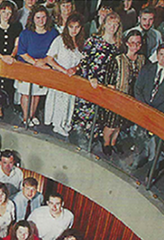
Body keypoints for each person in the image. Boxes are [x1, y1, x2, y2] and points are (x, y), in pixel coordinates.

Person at [70, 11, 122, 144]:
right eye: (110, 24)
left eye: (115, 24)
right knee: (86, 110)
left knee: (100, 114)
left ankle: (94, 136)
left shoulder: (119, 46)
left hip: (106, 84)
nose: (112, 27)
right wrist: (91, 77)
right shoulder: (93, 40)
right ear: (104, 24)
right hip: (90, 81)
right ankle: (82, 137)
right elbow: (84, 61)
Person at [98, 29, 145, 155]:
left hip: (132, 98)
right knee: (111, 124)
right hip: (117, 98)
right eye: (132, 42)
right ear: (127, 43)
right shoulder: (118, 59)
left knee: (120, 124)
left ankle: (114, 142)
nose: (135, 46)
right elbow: (110, 81)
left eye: (138, 43)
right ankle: (106, 143)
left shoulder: (142, 60)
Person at [16, 5, 59, 126]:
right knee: (26, 94)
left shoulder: (53, 33)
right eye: (38, 17)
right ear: (33, 18)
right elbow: (22, 52)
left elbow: (55, 52)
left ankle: (32, 115)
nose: (41, 20)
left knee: (36, 94)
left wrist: (44, 61)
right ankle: (25, 117)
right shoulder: (26, 33)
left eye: (43, 17)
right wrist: (35, 63)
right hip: (27, 66)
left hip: (44, 66)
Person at [44, 13, 85, 137]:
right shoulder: (60, 40)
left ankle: (65, 123)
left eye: (77, 27)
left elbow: (82, 61)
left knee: (69, 101)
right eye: (71, 27)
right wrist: (63, 70)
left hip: (72, 78)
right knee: (60, 101)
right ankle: (58, 124)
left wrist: (75, 68)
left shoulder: (81, 42)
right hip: (60, 76)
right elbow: (49, 59)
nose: (74, 30)